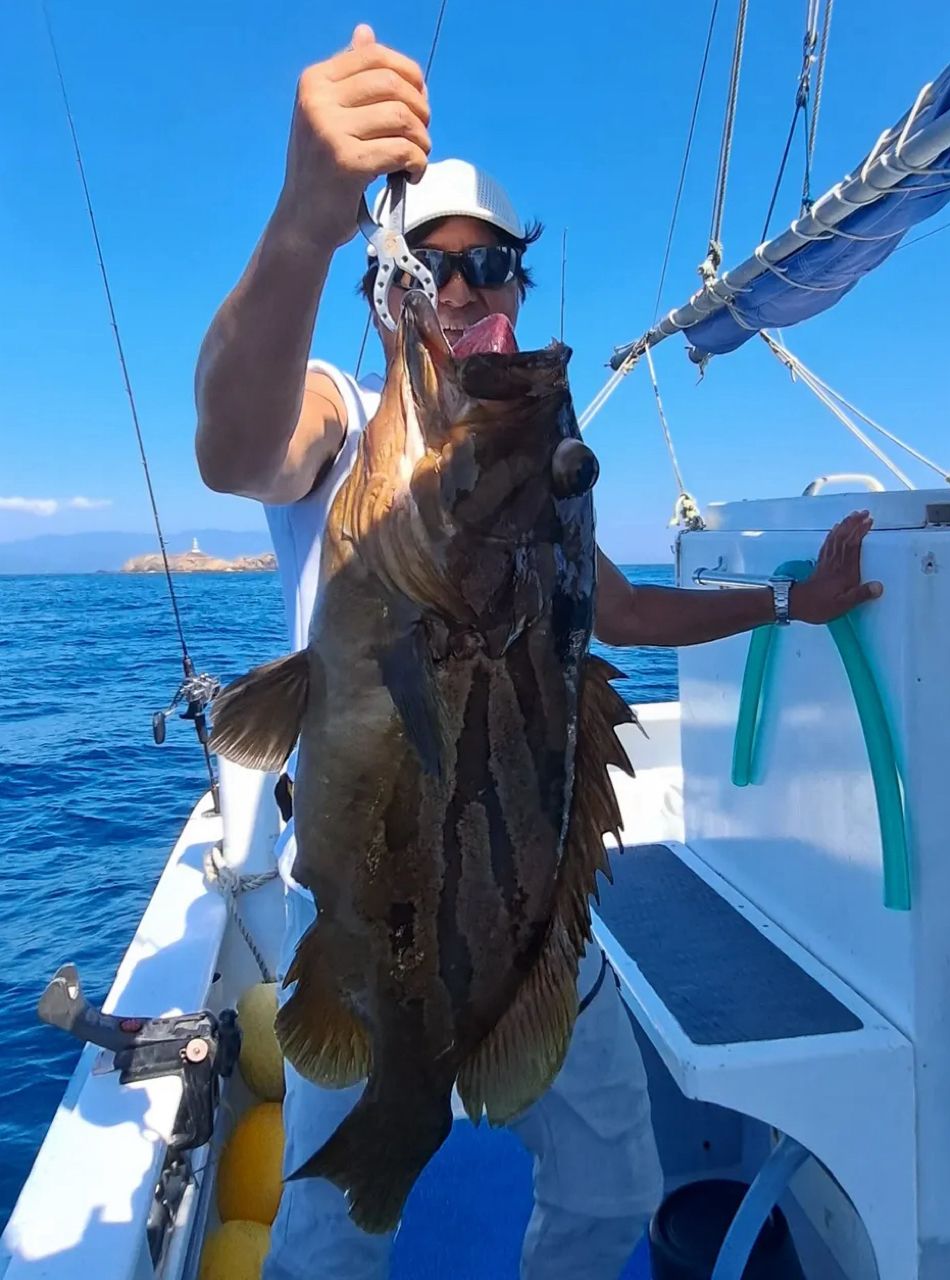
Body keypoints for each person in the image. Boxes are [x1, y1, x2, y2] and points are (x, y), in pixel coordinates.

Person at [194, 24, 883, 1280]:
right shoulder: (352, 426)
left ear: (517, 288)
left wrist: (792, 610)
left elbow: (615, 611)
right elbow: (238, 446)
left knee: (618, 1167)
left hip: (518, 921)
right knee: (325, 1236)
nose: (461, 290)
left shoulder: (531, 473)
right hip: (369, 913)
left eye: (490, 265)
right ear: (386, 287)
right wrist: (302, 224)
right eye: (431, 265)